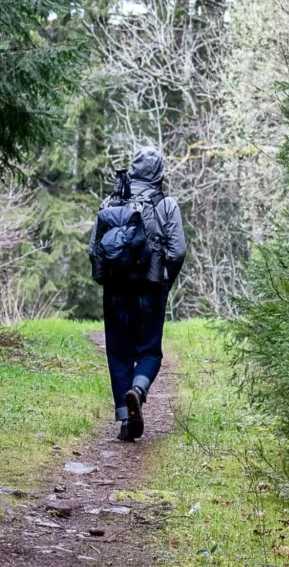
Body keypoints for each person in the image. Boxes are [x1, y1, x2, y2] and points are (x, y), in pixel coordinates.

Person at [88, 147, 186, 442]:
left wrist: (104, 277)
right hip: (151, 287)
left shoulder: (111, 200)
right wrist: (166, 279)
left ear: (131, 169)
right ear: (159, 173)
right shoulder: (165, 204)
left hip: (116, 289)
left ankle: (126, 423)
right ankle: (139, 390)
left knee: (119, 353)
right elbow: (178, 249)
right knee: (149, 351)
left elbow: (95, 248)